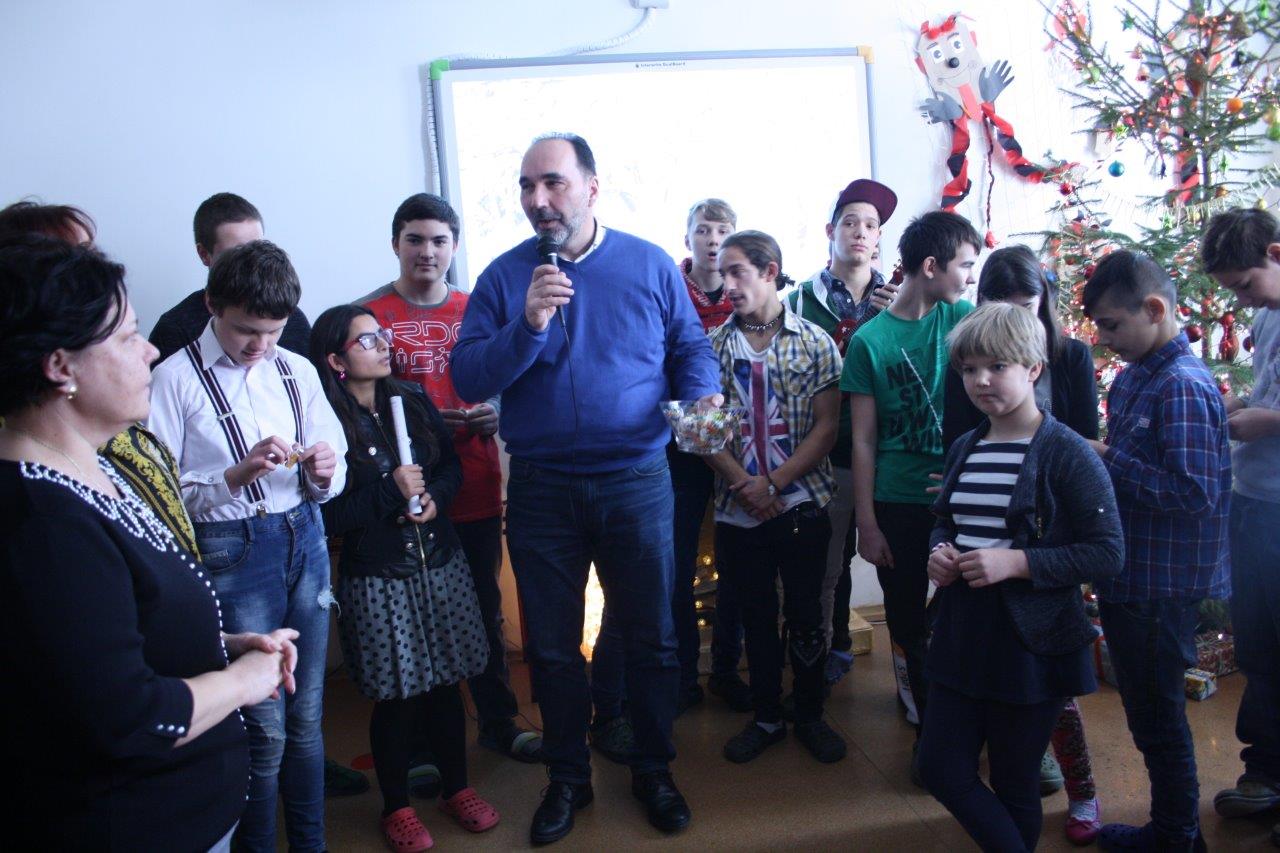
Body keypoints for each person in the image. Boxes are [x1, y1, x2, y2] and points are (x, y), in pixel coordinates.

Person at [451, 132, 721, 844]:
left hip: (637, 480)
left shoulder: (648, 263)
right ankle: (568, 777)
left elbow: (689, 346)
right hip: (542, 490)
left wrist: (701, 392)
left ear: (592, 187)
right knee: (551, 648)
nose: (538, 199)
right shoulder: (505, 277)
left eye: (554, 182)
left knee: (653, 639)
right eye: (526, 185)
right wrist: (529, 323)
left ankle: (654, 768)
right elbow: (470, 377)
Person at [0, 235, 297, 851]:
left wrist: (219, 646)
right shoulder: (41, 522)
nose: (151, 349)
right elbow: (127, 717)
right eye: (128, 336)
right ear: (60, 367)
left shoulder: (93, 466)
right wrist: (243, 681)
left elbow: (94, 637)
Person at [148, 240, 348, 853]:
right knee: (263, 728)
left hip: (305, 540)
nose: (261, 345)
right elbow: (162, 499)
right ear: (212, 305)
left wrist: (323, 471)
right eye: (246, 330)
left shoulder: (298, 370)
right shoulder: (173, 379)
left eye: (274, 331)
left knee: (308, 717)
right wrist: (234, 476)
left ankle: (310, 844)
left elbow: (335, 470)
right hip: (231, 553)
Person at [918, 301, 1123, 852]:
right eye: (968, 369)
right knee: (940, 768)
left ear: (1033, 369)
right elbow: (946, 521)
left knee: (1015, 782)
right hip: (963, 630)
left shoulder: (1067, 452)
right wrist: (939, 551)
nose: (980, 380)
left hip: (1030, 644)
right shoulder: (967, 446)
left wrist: (1018, 562)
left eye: (997, 366)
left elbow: (1107, 552)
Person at [360, 193, 542, 769]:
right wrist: (423, 426)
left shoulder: (476, 307)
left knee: (485, 610)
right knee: (414, 619)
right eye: (414, 239)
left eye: (439, 240)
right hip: (407, 493)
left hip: (475, 484)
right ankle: (419, 746)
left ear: (455, 246)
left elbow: (509, 379)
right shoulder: (368, 317)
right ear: (395, 243)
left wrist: (495, 412)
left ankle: (498, 723)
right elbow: (355, 406)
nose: (427, 251)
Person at [311, 305, 499, 852]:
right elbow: (326, 516)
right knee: (397, 696)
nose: (383, 345)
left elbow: (450, 469)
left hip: (440, 560)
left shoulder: (411, 398)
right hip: (378, 576)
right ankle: (396, 806)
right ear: (336, 360)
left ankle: (457, 788)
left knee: (446, 683)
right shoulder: (323, 421)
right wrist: (390, 491)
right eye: (367, 340)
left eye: (381, 335)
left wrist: (435, 497)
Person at [1081, 250, 1231, 852]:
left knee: (1159, 718)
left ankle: (1175, 838)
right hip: (1130, 574)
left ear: (1154, 309)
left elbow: (1194, 494)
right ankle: (1178, 833)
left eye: (1112, 325)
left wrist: (1107, 458)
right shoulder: (1135, 375)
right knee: (1146, 714)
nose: (1104, 338)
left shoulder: (1183, 386)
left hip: (1161, 586)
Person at [589, 198, 746, 762]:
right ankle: (679, 677)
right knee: (671, 567)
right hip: (674, 451)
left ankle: (726, 668)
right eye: (703, 229)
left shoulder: (750, 290)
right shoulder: (665, 286)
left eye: (722, 230)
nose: (712, 239)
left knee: (737, 560)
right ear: (687, 238)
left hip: (737, 446)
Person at [840, 210, 980, 780]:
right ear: (930, 266)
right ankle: (930, 733)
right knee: (905, 622)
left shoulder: (964, 318)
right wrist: (867, 524)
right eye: (964, 265)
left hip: (962, 500)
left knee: (964, 617)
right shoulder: (869, 342)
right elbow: (863, 440)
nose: (969, 276)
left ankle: (970, 724)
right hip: (898, 502)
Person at [705, 230, 846, 764]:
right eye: (723, 272)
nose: (727, 283)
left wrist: (776, 482)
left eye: (738, 271)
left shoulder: (814, 341)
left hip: (802, 503)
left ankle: (808, 713)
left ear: (769, 271)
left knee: (807, 614)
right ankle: (766, 717)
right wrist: (745, 485)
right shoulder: (712, 347)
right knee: (756, 617)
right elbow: (703, 430)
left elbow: (827, 427)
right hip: (738, 509)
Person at [786, 178, 900, 687]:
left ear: (879, 238)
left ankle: (899, 667)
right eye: (850, 222)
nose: (860, 232)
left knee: (889, 558)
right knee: (824, 562)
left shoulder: (899, 300)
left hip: (885, 454)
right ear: (830, 231)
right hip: (824, 454)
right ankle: (821, 654)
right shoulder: (797, 302)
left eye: (870, 225)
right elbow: (794, 375)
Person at [1201, 208, 1280, 843]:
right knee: (1257, 645)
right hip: (1252, 499)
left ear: (1276, 254)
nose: (1242, 300)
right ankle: (1267, 771)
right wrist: (1240, 406)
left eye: (1246, 285)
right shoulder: (1265, 315)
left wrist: (1270, 422)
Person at [149, 193, 312, 363]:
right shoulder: (175, 329)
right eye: (237, 251)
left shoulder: (293, 320)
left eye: (258, 247)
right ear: (204, 254)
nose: (253, 258)